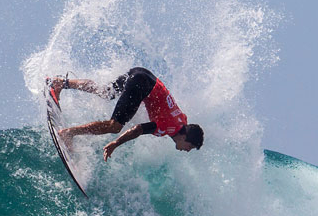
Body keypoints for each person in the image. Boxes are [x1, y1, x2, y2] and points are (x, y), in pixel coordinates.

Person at [48, 67, 204, 161]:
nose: (187, 150)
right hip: (142, 85)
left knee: (106, 92)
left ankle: (61, 83)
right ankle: (69, 133)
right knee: (114, 127)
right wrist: (116, 144)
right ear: (184, 138)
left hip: (143, 74)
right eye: (189, 146)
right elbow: (137, 130)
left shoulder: (182, 120)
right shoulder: (170, 127)